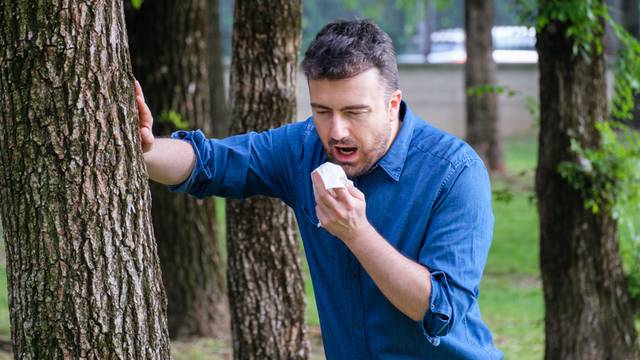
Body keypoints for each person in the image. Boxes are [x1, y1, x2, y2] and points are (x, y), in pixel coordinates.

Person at [137, 19, 502, 359]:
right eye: (322, 111)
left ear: (392, 105)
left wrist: (356, 234)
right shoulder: (304, 147)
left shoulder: (454, 172)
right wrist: (143, 150)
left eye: (354, 112)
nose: (336, 131)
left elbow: (441, 309)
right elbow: (210, 163)